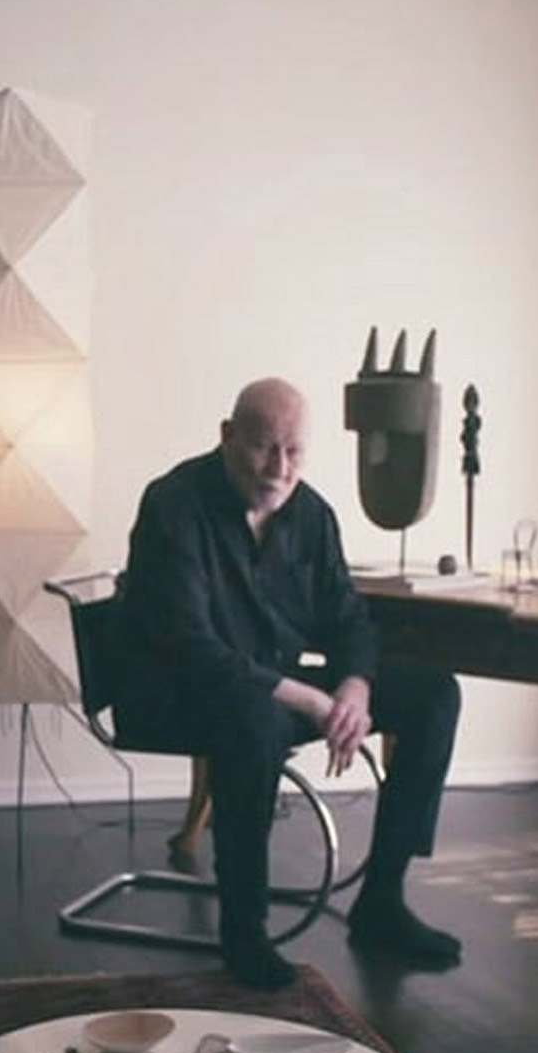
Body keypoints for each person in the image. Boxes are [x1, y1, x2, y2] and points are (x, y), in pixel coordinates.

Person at [114, 376, 464, 990]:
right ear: (227, 437)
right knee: (254, 721)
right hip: (178, 690)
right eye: (262, 447)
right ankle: (243, 933)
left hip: (269, 689)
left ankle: (381, 899)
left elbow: (349, 616)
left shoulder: (312, 514)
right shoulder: (173, 505)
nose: (279, 467)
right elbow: (192, 648)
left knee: (434, 693)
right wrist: (312, 699)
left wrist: (354, 687)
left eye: (294, 451)